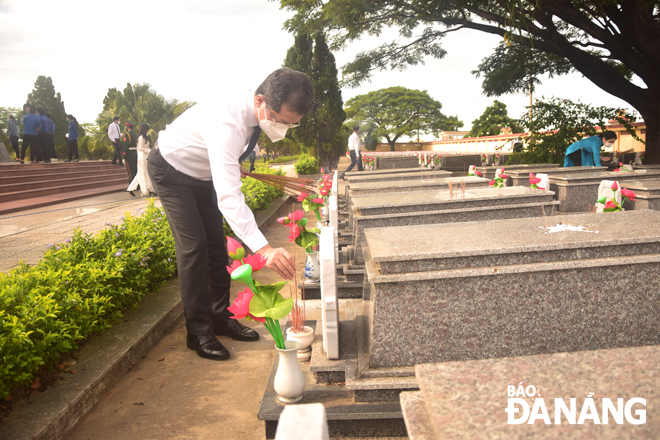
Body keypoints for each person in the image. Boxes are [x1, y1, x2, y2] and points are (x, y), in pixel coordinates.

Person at [148, 67, 313, 361]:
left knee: (216, 246)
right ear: (260, 100)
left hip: (202, 174)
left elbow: (222, 154)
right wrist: (264, 249)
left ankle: (220, 317)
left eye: (292, 124)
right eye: (279, 119)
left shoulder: (252, 116)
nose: (282, 127)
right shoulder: (228, 122)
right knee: (194, 247)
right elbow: (229, 198)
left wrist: (224, 163)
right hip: (171, 171)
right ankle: (198, 332)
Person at [127, 124, 156, 197]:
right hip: (143, 156)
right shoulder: (142, 137)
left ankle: (131, 188)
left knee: (140, 173)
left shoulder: (142, 137)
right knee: (145, 172)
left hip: (142, 156)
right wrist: (150, 150)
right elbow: (140, 148)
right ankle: (150, 189)